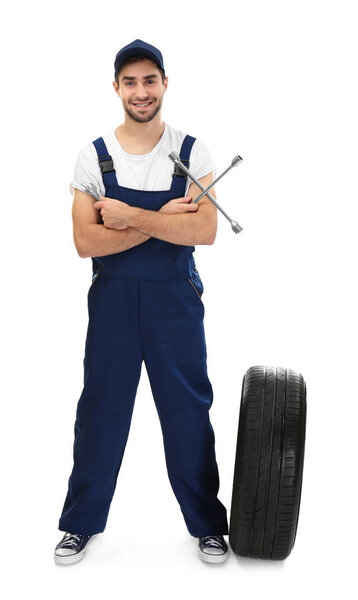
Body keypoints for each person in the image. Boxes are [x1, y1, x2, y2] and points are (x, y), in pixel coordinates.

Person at [54, 39, 229, 566]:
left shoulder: (193, 151)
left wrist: (126, 217)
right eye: (129, 82)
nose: (140, 91)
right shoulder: (93, 156)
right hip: (111, 301)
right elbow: (86, 242)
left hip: (175, 300)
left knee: (187, 413)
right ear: (116, 88)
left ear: (164, 84)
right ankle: (79, 525)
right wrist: (162, 222)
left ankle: (207, 525)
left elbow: (203, 230)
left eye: (149, 80)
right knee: (101, 411)